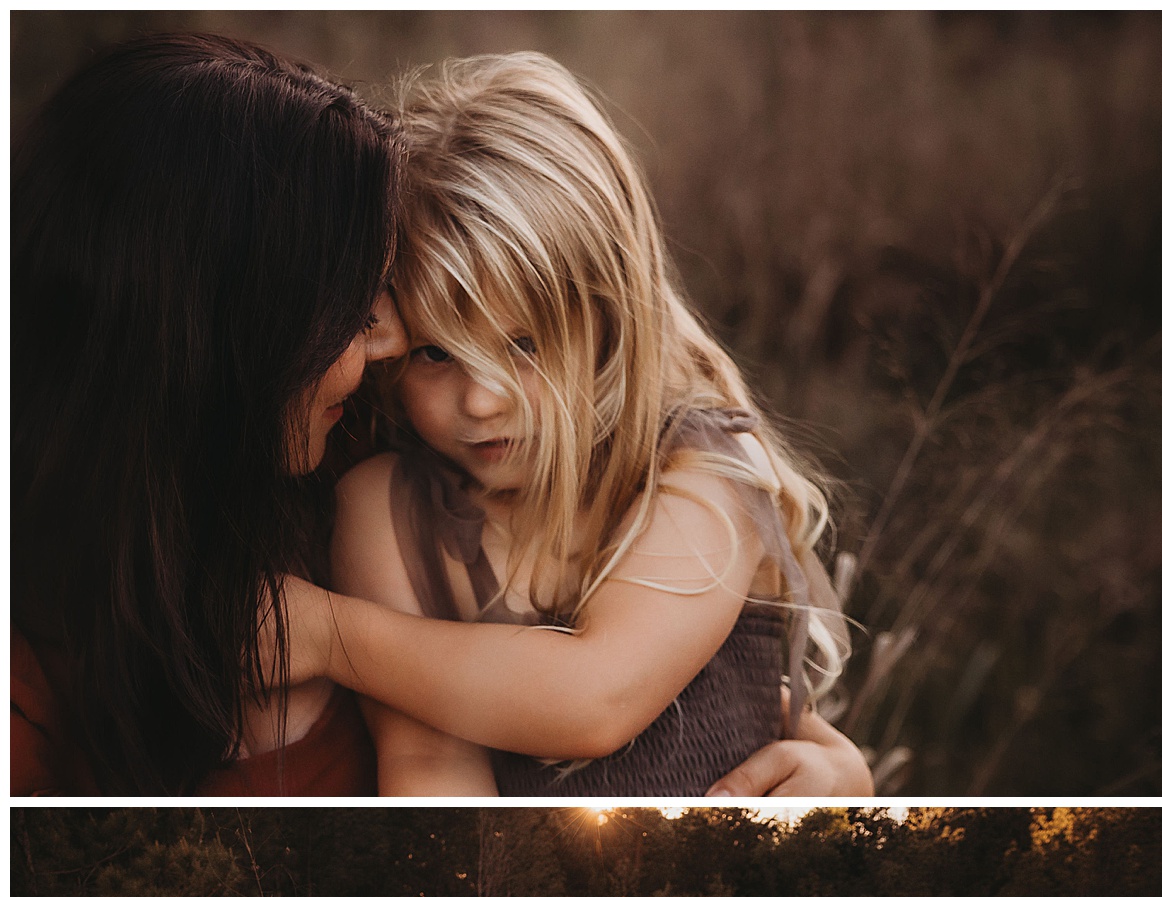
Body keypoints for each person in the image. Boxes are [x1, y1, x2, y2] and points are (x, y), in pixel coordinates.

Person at [301, 52, 873, 797]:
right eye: (437, 352)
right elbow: (430, 766)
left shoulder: (704, 469)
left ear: (611, 319)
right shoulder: (388, 513)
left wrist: (323, 635)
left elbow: (596, 699)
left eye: (527, 345)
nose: (481, 400)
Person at [11, 31, 406, 796]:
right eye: (348, 304)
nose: (391, 336)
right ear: (223, 332)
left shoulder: (371, 457)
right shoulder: (30, 704)